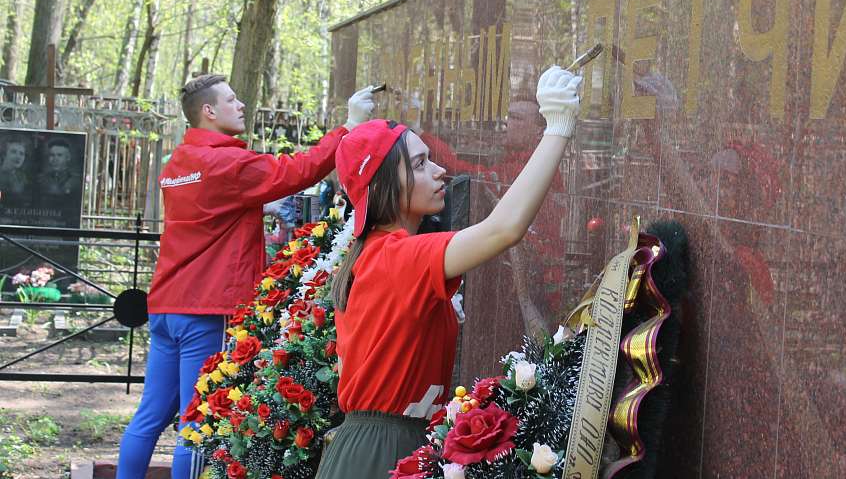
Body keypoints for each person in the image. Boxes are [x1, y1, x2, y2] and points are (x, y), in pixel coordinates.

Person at [316, 65, 582, 479]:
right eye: (421, 164)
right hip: (380, 452)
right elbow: (504, 228)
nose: (440, 171)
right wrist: (557, 126)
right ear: (386, 182)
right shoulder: (396, 256)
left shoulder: (379, 253)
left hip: (391, 443)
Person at [117, 75, 375, 479]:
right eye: (231, 100)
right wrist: (349, 127)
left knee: (149, 417)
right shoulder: (227, 163)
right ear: (209, 111)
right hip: (207, 307)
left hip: (167, 304)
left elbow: (211, 213)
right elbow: (299, 170)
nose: (241, 106)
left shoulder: (179, 162)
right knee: (197, 425)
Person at [0, 137, 29, 203]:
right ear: (4, 154)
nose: (18, 157)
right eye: (13, 152)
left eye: (21, 154)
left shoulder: (22, 177)